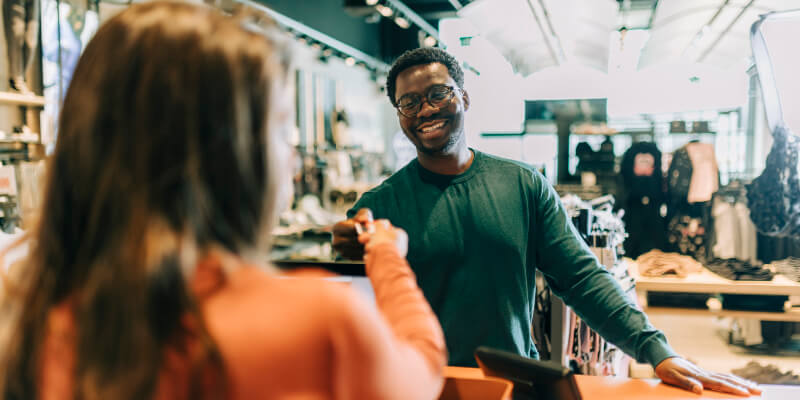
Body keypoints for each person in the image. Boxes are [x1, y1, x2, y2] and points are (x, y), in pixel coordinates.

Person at [0, 3, 446, 399]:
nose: (291, 149)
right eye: (280, 123)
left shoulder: (26, 323)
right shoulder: (314, 324)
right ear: (230, 150)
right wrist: (388, 255)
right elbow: (423, 369)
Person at [333, 47, 761, 396]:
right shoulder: (382, 203)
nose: (425, 109)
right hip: (419, 387)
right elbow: (350, 296)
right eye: (409, 102)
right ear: (399, 114)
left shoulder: (521, 185)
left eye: (438, 94)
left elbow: (582, 278)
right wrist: (345, 243)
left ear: (464, 97)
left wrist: (657, 350)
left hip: (513, 383)